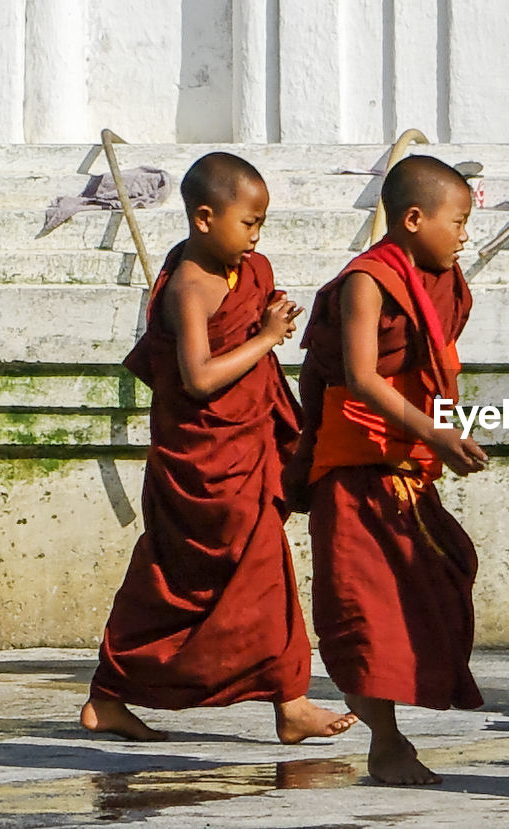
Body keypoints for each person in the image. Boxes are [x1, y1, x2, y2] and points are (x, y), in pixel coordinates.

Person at [80, 152, 357, 744]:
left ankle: (290, 700)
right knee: (174, 581)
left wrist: (273, 321)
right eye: (248, 223)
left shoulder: (246, 271)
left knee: (268, 569)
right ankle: (109, 693)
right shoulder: (190, 286)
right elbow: (201, 378)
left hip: (246, 452)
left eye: (261, 223)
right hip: (203, 465)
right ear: (204, 218)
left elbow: (254, 333)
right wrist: (264, 337)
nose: (256, 237)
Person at [294, 154, 487, 786]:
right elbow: (360, 376)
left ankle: (399, 726)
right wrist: (436, 433)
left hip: (408, 470)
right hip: (355, 471)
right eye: (456, 221)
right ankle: (386, 741)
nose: (464, 234)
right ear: (412, 218)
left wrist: (438, 439)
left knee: (442, 584)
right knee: (363, 613)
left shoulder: (440, 282)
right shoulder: (367, 282)